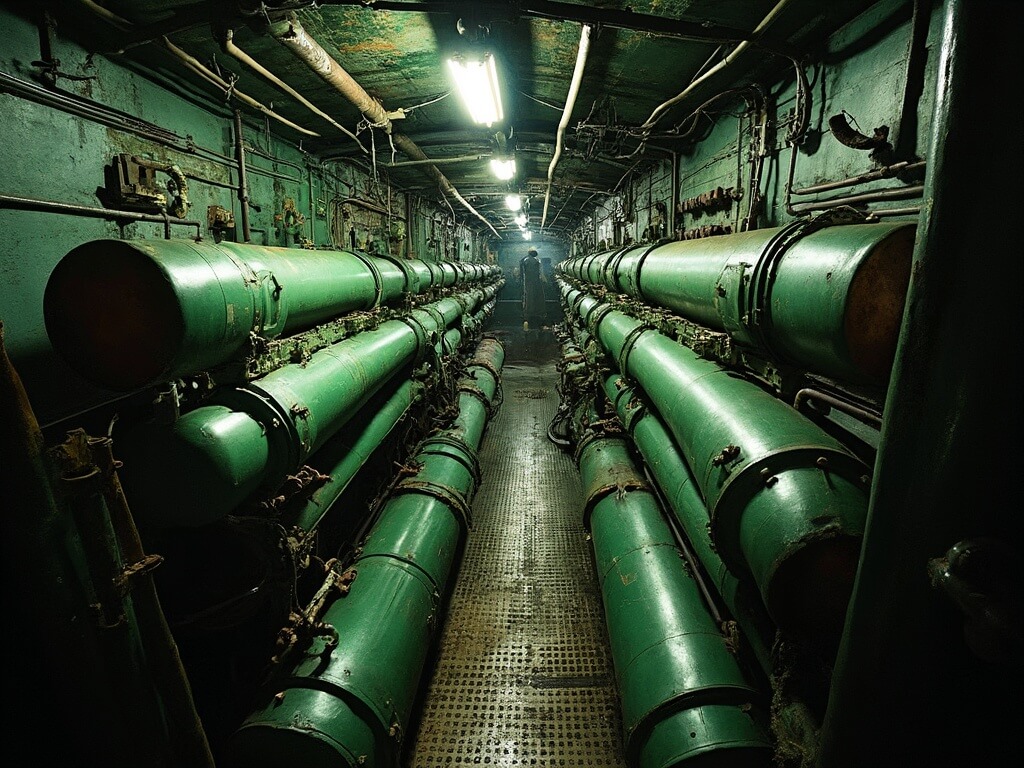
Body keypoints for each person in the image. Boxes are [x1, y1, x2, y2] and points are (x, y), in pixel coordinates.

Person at [519, 247, 546, 329]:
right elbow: (540, 273)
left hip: (528, 283)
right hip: (535, 282)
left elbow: (522, 273)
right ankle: (540, 318)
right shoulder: (537, 261)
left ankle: (527, 317)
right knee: (538, 300)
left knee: (528, 300)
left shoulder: (525, 260)